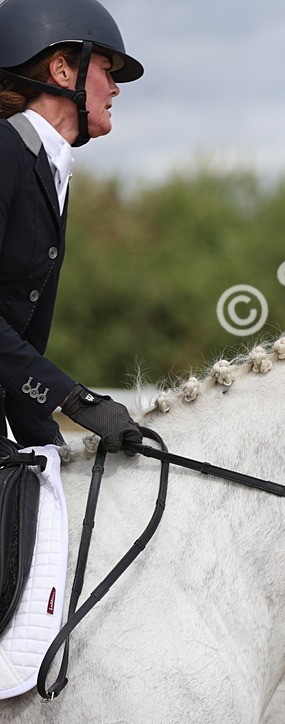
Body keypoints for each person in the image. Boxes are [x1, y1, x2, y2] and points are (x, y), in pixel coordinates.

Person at [0, 0, 143, 452]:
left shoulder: (48, 169)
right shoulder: (4, 153)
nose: (116, 89)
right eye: (108, 69)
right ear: (62, 71)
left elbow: (14, 340)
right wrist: (75, 399)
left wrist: (51, 443)